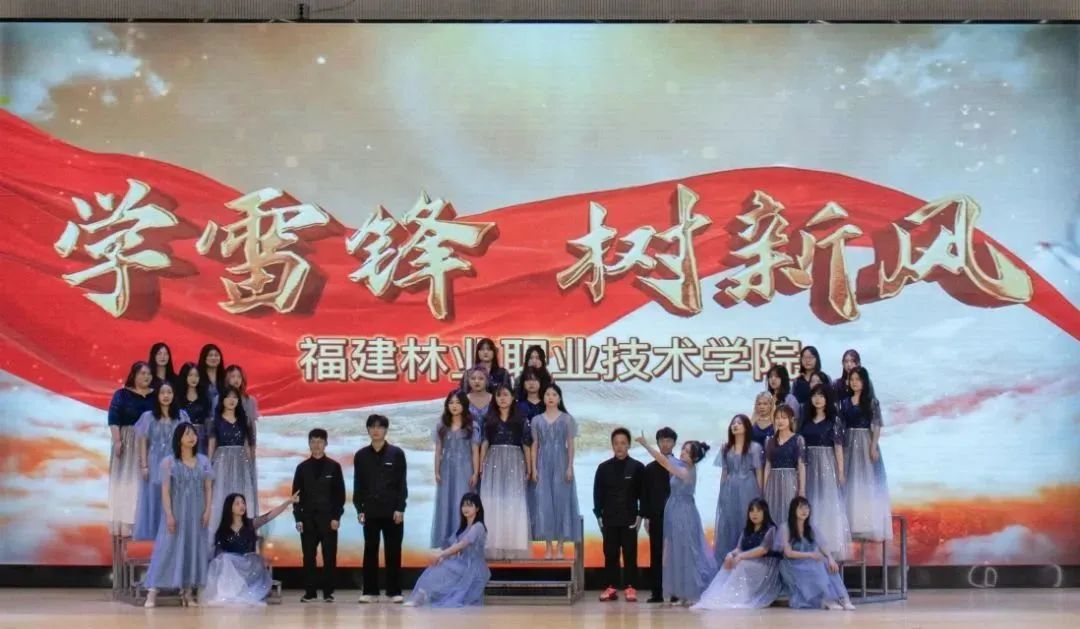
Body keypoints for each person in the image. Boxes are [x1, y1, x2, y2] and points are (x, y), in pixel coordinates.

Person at [635, 432, 716, 606]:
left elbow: (663, 461)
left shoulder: (685, 471)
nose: (682, 452)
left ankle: (691, 592)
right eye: (683, 449)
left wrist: (646, 445)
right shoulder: (682, 465)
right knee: (677, 553)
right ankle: (682, 593)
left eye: (687, 451)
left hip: (683, 513)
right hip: (675, 511)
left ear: (694, 457)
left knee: (686, 552)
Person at [143, 423, 214, 608]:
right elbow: (165, 492)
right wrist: (169, 514)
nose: (192, 437)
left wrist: (208, 510)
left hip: (197, 513)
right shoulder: (169, 462)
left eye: (193, 434)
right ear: (179, 438)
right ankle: (152, 591)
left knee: (193, 549)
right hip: (177, 511)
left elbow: (208, 488)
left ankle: (188, 592)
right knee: (167, 549)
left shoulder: (204, 461)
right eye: (187, 434)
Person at [202, 491, 299, 606]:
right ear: (230, 507)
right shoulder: (223, 530)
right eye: (237, 503)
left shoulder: (250, 524)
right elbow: (218, 553)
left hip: (249, 564)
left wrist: (288, 502)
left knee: (228, 559)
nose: (241, 506)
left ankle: (243, 590)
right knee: (224, 558)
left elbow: (270, 516)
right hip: (233, 568)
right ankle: (229, 592)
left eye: (243, 503)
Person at [353, 414, 408, 603]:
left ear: (386, 430)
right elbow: (358, 484)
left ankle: (394, 591)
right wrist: (359, 508)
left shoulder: (397, 453)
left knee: (393, 551)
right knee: (370, 551)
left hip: (393, 511)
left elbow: (402, 484)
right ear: (368, 430)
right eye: (372, 427)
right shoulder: (361, 455)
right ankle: (370, 591)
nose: (376, 430)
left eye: (380, 427)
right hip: (370, 510)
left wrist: (400, 508)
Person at [693, 498, 782, 610]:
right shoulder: (747, 530)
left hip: (766, 565)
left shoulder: (771, 529)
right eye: (752, 511)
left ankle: (736, 596)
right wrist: (731, 555)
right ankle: (723, 595)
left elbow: (763, 550)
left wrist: (741, 556)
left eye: (758, 511)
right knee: (729, 562)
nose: (754, 514)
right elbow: (739, 548)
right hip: (750, 562)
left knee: (741, 564)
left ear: (765, 512)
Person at [405, 493, 491, 608]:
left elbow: (462, 545)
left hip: (473, 567)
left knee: (442, 568)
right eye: (464, 505)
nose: (465, 508)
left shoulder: (478, 526)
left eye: (470, 505)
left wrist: (442, 554)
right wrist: (442, 557)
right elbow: (455, 546)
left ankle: (422, 595)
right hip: (463, 563)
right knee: (438, 565)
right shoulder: (463, 527)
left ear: (477, 508)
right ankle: (422, 594)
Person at [292, 428, 346, 603]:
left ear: (326, 444)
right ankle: (310, 593)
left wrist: (336, 517)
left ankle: (328, 592)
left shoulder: (334, 467)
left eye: (320, 441)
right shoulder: (302, 468)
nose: (316, 445)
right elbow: (295, 496)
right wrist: (298, 518)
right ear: (309, 444)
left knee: (329, 557)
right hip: (307, 519)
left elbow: (340, 495)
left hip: (328, 519)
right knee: (309, 557)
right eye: (313, 441)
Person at [839, 367, 892, 541]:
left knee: (866, 480)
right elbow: (841, 426)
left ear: (864, 381)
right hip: (849, 443)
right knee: (851, 481)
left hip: (865, 442)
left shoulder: (871, 402)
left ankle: (868, 524)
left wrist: (873, 445)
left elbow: (876, 425)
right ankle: (852, 524)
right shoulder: (844, 402)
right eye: (852, 379)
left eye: (858, 379)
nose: (854, 382)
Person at [799, 383, 851, 560]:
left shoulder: (833, 421)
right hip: (808, 466)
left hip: (827, 466)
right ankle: (810, 543)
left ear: (827, 399)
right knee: (810, 502)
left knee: (827, 502)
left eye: (821, 396)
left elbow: (838, 448)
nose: (818, 399)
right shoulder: (805, 421)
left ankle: (829, 545)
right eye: (815, 395)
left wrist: (841, 472)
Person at [479, 385, 531, 560]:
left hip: (515, 461)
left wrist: (529, 467)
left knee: (513, 501)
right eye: (499, 395)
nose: (502, 398)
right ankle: (493, 545)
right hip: (493, 460)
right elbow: (484, 443)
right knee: (492, 501)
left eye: (505, 395)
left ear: (512, 397)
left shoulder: (521, 419)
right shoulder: (488, 419)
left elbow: (526, 444)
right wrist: (480, 466)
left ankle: (512, 546)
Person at [593, 428, 645, 602]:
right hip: (609, 519)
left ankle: (630, 588)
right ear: (612, 445)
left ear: (628, 445)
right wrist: (599, 516)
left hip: (630, 519)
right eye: (616, 443)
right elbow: (597, 494)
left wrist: (640, 516)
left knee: (630, 554)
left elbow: (643, 495)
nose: (619, 447)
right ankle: (611, 587)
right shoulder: (603, 468)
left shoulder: (637, 467)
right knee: (610, 554)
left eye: (623, 443)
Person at [779, 497, 855, 611]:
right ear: (793, 510)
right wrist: (810, 555)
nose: (804, 511)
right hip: (792, 564)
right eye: (801, 508)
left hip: (808, 560)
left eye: (807, 508)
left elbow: (822, 545)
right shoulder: (785, 528)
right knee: (817, 565)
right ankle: (828, 599)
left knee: (828, 564)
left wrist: (830, 558)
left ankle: (842, 598)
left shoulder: (810, 528)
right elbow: (788, 553)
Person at [531, 383, 581, 559]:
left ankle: (560, 546)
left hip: (561, 462)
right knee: (544, 503)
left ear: (559, 398)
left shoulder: (567, 419)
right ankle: (548, 546)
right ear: (543, 398)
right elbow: (535, 445)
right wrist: (534, 468)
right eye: (547, 394)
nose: (550, 397)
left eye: (554, 394)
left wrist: (570, 466)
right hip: (543, 463)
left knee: (561, 502)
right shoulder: (536, 420)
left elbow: (570, 444)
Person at [133, 382, 187, 541]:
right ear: (157, 396)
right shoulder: (148, 417)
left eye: (169, 392)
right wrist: (144, 466)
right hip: (154, 462)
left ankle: (172, 536)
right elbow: (143, 442)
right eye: (162, 393)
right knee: (154, 497)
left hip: (175, 462)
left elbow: (186, 441)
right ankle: (155, 537)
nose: (166, 396)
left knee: (174, 498)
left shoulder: (181, 416)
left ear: (174, 395)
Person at [107, 361, 155, 537]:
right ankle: (125, 524)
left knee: (146, 484)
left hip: (150, 444)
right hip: (127, 442)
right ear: (134, 375)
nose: (146, 377)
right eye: (142, 373)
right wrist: (117, 441)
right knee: (126, 482)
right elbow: (113, 417)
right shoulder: (121, 394)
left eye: (149, 373)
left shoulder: (156, 395)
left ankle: (144, 525)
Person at [207, 387, 259, 543]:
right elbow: (211, 446)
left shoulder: (244, 421)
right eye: (228, 397)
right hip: (221, 464)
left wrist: (250, 467)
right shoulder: (215, 421)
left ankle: (242, 539)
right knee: (220, 498)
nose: (231, 400)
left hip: (241, 464)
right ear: (222, 400)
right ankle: (218, 540)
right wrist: (208, 468)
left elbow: (248, 446)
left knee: (241, 496)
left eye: (235, 397)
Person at [431, 391, 481, 549]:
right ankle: (447, 542)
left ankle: (464, 541)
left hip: (465, 468)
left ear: (464, 405)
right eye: (451, 403)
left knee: (463, 501)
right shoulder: (441, 426)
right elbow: (438, 451)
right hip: (447, 469)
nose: (454, 406)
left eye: (458, 403)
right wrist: (436, 471)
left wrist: (475, 472)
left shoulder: (472, 426)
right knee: (446, 502)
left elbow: (475, 451)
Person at [712, 414, 763, 563]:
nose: (735, 425)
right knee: (729, 522)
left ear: (746, 427)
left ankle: (747, 558)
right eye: (733, 423)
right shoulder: (726, 448)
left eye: (739, 423)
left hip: (749, 487)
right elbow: (724, 472)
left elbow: (759, 472)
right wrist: (722, 492)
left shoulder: (754, 447)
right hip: (730, 488)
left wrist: (760, 495)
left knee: (746, 520)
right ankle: (729, 560)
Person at [640, 427, 677, 603]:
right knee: (656, 554)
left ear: (674, 443)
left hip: (676, 516)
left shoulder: (679, 465)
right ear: (658, 443)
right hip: (656, 516)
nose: (665, 444)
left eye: (669, 440)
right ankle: (656, 593)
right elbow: (645, 495)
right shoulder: (649, 469)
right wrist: (646, 517)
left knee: (675, 554)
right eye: (662, 440)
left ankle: (676, 591)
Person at [763, 404, 806, 531]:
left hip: (790, 480)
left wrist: (802, 489)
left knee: (789, 511)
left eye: (784, 418)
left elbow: (801, 465)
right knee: (772, 511)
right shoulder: (769, 440)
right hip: (773, 481)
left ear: (791, 419)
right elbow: (767, 465)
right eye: (777, 418)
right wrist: (765, 488)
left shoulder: (798, 439)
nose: (780, 421)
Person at [176, 362, 211, 454]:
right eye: (190, 375)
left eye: (196, 376)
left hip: (201, 438)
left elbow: (208, 420)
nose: (194, 378)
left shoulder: (204, 397)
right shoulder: (178, 397)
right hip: (182, 436)